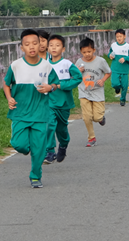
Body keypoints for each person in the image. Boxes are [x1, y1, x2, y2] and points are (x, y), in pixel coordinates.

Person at [3, 29, 60, 189]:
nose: (32, 47)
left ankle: (36, 176)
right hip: (20, 113)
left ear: (41, 44)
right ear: (22, 47)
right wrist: (9, 98)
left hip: (40, 115)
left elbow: (55, 84)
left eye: (35, 43)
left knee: (39, 150)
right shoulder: (16, 66)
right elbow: (6, 83)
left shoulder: (47, 66)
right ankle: (27, 147)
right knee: (18, 144)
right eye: (27, 44)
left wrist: (50, 87)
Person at [44, 34, 83, 164]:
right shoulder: (43, 65)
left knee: (61, 129)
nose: (54, 48)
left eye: (57, 45)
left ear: (63, 49)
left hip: (63, 103)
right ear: (47, 48)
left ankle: (63, 145)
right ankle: (49, 151)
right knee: (49, 125)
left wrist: (61, 85)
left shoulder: (67, 64)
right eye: (51, 45)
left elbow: (78, 78)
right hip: (48, 102)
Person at [76, 38, 111, 147]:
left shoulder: (100, 61)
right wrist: (78, 71)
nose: (87, 54)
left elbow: (108, 72)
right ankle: (91, 138)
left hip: (97, 92)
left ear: (94, 50)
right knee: (86, 117)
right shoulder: (79, 62)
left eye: (89, 52)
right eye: (84, 52)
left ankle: (101, 119)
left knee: (97, 117)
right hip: (84, 92)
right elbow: (74, 75)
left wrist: (103, 80)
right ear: (81, 52)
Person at [109, 29, 129, 107]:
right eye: (117, 37)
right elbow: (109, 53)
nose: (119, 38)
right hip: (115, 69)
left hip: (124, 70)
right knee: (114, 83)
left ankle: (123, 99)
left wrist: (125, 58)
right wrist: (110, 55)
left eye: (120, 36)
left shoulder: (128, 47)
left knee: (124, 86)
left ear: (124, 36)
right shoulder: (113, 45)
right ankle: (117, 88)